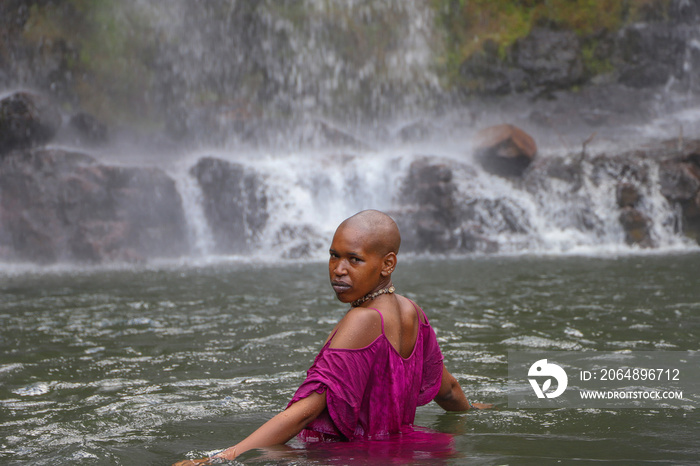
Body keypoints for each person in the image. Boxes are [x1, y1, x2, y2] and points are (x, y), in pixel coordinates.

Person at [175, 210, 489, 465]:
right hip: (403, 454)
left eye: (354, 259)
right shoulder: (412, 313)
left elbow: (307, 412)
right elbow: (448, 390)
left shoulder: (363, 320)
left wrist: (220, 458)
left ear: (388, 263)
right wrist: (473, 411)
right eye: (334, 255)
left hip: (353, 458)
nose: (338, 270)